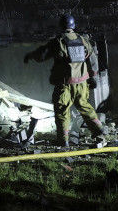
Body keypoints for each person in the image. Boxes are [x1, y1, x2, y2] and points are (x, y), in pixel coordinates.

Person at [23, 14, 105, 148]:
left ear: (61, 26)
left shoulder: (58, 41)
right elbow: (93, 60)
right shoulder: (83, 40)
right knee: (84, 106)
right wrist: (93, 77)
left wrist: (30, 56)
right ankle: (98, 130)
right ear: (73, 26)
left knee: (62, 111)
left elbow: (42, 55)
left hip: (65, 84)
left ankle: (63, 141)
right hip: (82, 83)